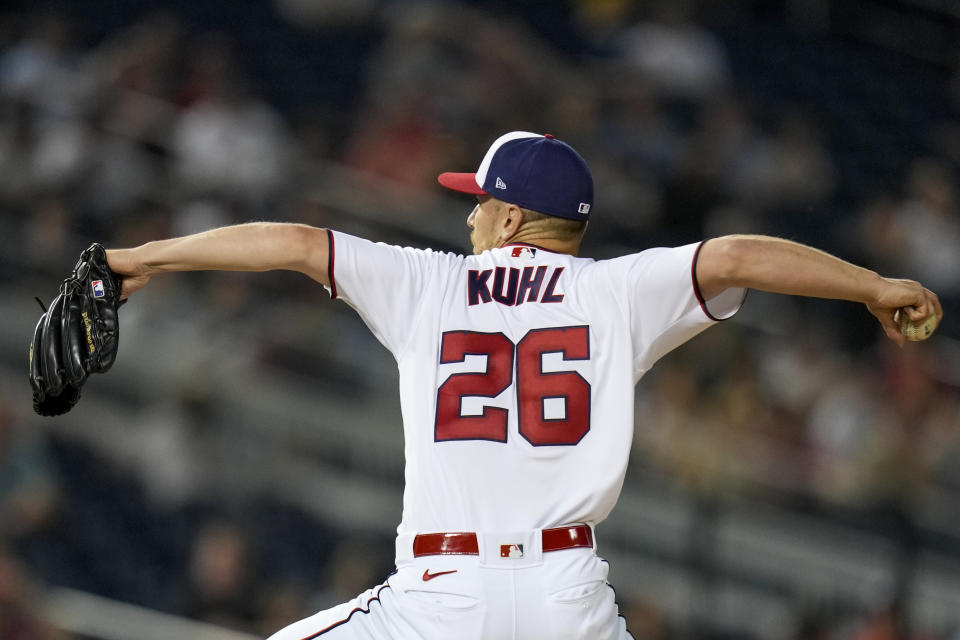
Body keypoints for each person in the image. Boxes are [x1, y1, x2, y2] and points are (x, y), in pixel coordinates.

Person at [106, 131, 942, 639]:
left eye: (478, 203)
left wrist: (143, 258)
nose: (467, 216)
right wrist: (873, 286)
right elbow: (730, 257)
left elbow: (292, 241)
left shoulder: (426, 282)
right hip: (566, 599)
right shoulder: (616, 292)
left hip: (440, 600)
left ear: (509, 216)